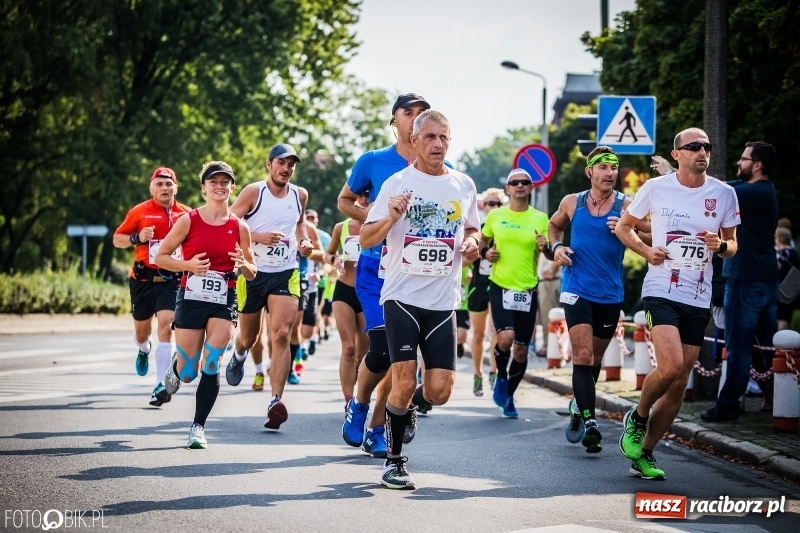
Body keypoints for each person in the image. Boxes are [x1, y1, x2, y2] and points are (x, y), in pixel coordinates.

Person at [359, 109, 480, 489]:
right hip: (401, 297)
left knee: (440, 391)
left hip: (444, 301)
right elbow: (366, 239)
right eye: (430, 137)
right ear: (414, 141)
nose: (438, 144)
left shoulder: (463, 184)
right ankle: (394, 462)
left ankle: (404, 410)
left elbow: (473, 227)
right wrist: (391, 217)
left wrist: (473, 243)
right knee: (404, 378)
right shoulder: (396, 183)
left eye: (444, 137)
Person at [615, 128, 739, 480]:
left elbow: (733, 245)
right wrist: (647, 250)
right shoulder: (655, 188)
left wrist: (721, 246)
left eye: (707, 147)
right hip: (661, 289)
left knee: (680, 382)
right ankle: (637, 417)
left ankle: (646, 454)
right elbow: (625, 228)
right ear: (677, 155)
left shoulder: (724, 194)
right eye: (694, 147)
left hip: (698, 296)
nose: (702, 151)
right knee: (668, 368)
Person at [337, 93, 431, 455]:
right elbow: (345, 202)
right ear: (395, 121)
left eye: (422, 113)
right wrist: (375, 217)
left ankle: (378, 428)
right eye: (408, 113)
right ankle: (358, 404)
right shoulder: (374, 161)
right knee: (382, 348)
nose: (415, 118)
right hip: (375, 268)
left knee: (402, 357)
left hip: (415, 273)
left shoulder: (441, 168)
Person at [545, 146, 647, 453]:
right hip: (576, 289)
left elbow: (654, 234)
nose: (610, 173)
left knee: (596, 361)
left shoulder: (626, 205)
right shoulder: (571, 202)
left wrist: (627, 232)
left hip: (609, 294)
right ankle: (590, 421)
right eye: (603, 167)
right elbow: (553, 227)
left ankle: (579, 406)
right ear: (590, 171)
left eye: (614, 168)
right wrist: (556, 249)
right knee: (584, 356)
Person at [156, 161, 256, 448]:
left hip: (223, 297)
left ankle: (198, 427)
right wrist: (188, 264)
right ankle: (175, 370)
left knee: (212, 360)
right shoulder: (189, 220)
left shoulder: (240, 226)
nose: (220, 186)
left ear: (232, 187)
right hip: (191, 296)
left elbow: (252, 271)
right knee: (189, 372)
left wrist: (243, 264)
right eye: (214, 182)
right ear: (204, 188)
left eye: (226, 182)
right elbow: (161, 256)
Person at [225, 143, 313, 430]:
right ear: (269, 165)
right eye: (281, 163)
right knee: (249, 337)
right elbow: (230, 224)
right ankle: (239, 355)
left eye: (291, 164)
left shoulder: (299, 194)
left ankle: (276, 400)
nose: (286, 169)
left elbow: (299, 224)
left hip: (285, 272)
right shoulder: (254, 192)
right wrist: (258, 237)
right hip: (251, 273)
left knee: (282, 334)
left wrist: (304, 241)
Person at [701, 141, 779, 422]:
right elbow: (726, 186)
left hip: (745, 279)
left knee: (738, 347)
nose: (739, 163)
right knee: (766, 347)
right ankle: (776, 401)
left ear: (757, 165)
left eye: (744, 159)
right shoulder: (762, 191)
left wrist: (676, 172)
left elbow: (717, 189)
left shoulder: (750, 192)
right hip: (764, 278)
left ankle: (728, 406)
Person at [113, 167, 191, 406]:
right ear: (152, 188)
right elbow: (118, 240)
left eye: (169, 184)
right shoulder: (140, 211)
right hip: (143, 279)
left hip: (171, 280)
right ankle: (144, 349)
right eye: (159, 184)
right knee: (142, 332)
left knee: (166, 326)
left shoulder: (186, 214)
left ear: (176, 187)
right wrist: (138, 238)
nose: (164, 188)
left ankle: (160, 385)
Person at [480, 169, 549, 418]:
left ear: (531, 188)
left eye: (524, 182)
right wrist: (486, 254)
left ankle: (509, 395)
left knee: (521, 350)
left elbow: (551, 252)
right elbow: (481, 243)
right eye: (514, 182)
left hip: (528, 289)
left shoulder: (541, 218)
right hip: (501, 286)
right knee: (506, 337)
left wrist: (547, 247)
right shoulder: (496, 215)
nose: (520, 185)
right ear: (508, 188)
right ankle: (500, 374)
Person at [326, 200, 370, 416]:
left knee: (364, 353)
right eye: (358, 195)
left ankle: (361, 395)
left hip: (367, 293)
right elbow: (328, 254)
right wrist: (334, 260)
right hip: (344, 290)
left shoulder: (378, 224)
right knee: (349, 348)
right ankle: (348, 400)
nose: (363, 199)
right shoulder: (340, 228)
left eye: (367, 195)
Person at [468, 187, 505, 396]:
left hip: (498, 283)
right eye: (491, 203)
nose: (494, 207)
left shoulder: (506, 230)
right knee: (479, 333)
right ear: (484, 206)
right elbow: (467, 255)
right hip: (479, 285)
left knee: (496, 331)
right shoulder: (479, 230)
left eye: (498, 204)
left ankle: (494, 371)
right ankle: (477, 373)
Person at [776, 226, 800, 331]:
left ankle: (779, 344)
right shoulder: (794, 253)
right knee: (787, 317)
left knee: (781, 318)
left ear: (779, 239)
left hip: (781, 291)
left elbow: (775, 269)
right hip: (792, 290)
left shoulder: (782, 254)